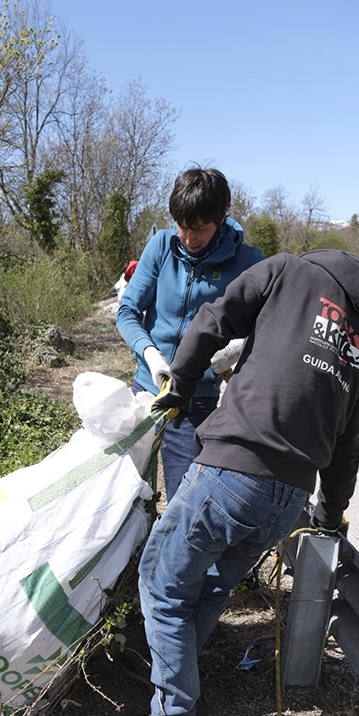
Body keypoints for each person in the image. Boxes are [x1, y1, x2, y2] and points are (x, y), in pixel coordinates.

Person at [130, 248, 359, 716]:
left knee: (161, 583)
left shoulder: (288, 270)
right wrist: (330, 516)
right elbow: (345, 450)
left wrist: (180, 383)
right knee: (211, 585)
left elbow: (212, 319)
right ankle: (180, 670)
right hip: (288, 500)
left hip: (232, 472)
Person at [116, 166, 264, 503]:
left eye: (199, 229)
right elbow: (127, 312)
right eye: (182, 226)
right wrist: (151, 356)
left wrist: (231, 353)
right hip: (147, 390)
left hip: (197, 401)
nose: (188, 238)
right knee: (128, 493)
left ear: (222, 218)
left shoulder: (248, 262)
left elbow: (272, 321)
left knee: (185, 501)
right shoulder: (161, 246)